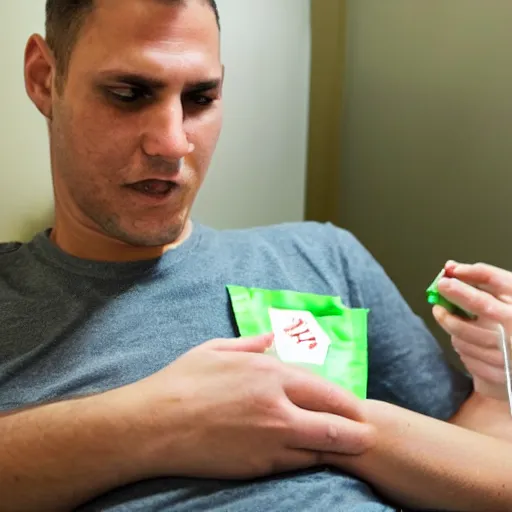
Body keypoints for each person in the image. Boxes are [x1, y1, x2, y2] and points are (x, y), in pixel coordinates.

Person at [0, 1, 511, 511]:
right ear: (45, 78)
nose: (173, 142)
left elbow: (484, 469)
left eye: (201, 98)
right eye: (129, 94)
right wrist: (153, 423)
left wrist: (496, 386)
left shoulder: (321, 255)